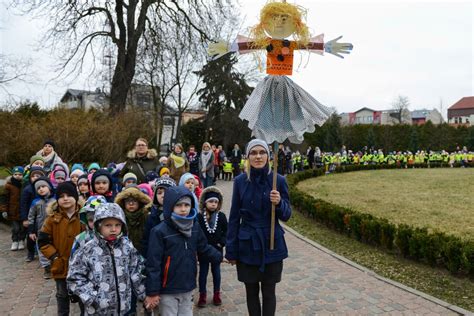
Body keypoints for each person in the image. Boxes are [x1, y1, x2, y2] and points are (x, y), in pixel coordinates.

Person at [226, 139, 292, 316]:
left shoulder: (278, 180)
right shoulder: (240, 181)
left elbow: (287, 215)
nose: (258, 156)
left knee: (269, 293)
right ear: (247, 157)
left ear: (269, 156)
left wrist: (279, 203)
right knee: (251, 292)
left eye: (262, 152)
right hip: (247, 243)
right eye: (253, 153)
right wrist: (231, 249)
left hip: (272, 242)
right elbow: (234, 218)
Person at [144, 186, 222, 315]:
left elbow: (203, 247)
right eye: (179, 205)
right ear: (170, 206)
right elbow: (153, 264)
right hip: (168, 288)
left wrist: (219, 256)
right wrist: (152, 292)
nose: (183, 209)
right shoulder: (159, 231)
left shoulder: (194, 226)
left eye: (187, 205)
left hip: (188, 285)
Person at [67, 202, 146, 315]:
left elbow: (136, 272)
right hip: (97, 311)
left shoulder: (127, 246)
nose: (113, 229)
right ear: (98, 226)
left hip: (123, 309)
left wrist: (144, 294)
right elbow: (74, 277)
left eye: (117, 225)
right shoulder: (87, 249)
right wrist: (92, 297)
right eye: (108, 225)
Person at [38, 181, 83, 315]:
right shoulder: (51, 220)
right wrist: (54, 256)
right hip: (61, 264)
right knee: (62, 295)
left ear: (75, 197)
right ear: (57, 200)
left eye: (69, 195)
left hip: (82, 266)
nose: (65, 198)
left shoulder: (84, 216)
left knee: (83, 294)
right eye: (61, 196)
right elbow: (43, 242)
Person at [196, 186, 228, 308]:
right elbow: (197, 232)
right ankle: (202, 295)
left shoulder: (222, 217)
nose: (213, 204)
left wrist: (222, 243)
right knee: (203, 273)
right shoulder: (199, 217)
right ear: (205, 202)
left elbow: (226, 232)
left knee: (216, 272)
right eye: (211, 201)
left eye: (216, 202)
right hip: (203, 251)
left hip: (217, 249)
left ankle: (216, 294)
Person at [141, 177, 176, 258]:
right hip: (156, 257)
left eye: (167, 192)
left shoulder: (179, 213)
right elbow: (145, 240)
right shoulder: (151, 216)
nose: (163, 195)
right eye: (159, 193)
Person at [28, 177, 56, 279]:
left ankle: (55, 264)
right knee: (42, 249)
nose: (41, 189)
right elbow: (31, 217)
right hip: (40, 230)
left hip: (54, 230)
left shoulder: (55, 200)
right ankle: (47, 267)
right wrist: (31, 231)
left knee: (54, 246)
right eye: (38, 188)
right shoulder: (35, 202)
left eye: (43, 186)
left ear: (49, 187)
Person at [19, 166, 46, 262]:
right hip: (31, 216)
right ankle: (30, 252)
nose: (36, 177)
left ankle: (43, 252)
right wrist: (24, 218)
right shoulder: (28, 189)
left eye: (38, 175)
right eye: (33, 176)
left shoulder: (45, 187)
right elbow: (23, 204)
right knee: (31, 236)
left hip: (42, 215)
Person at [0, 166, 26, 251]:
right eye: (15, 174)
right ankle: (15, 241)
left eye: (20, 174)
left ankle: (21, 240)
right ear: (12, 175)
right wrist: (4, 210)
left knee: (22, 228)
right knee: (15, 228)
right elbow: (4, 198)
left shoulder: (24, 185)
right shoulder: (8, 186)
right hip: (12, 211)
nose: (18, 176)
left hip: (22, 210)